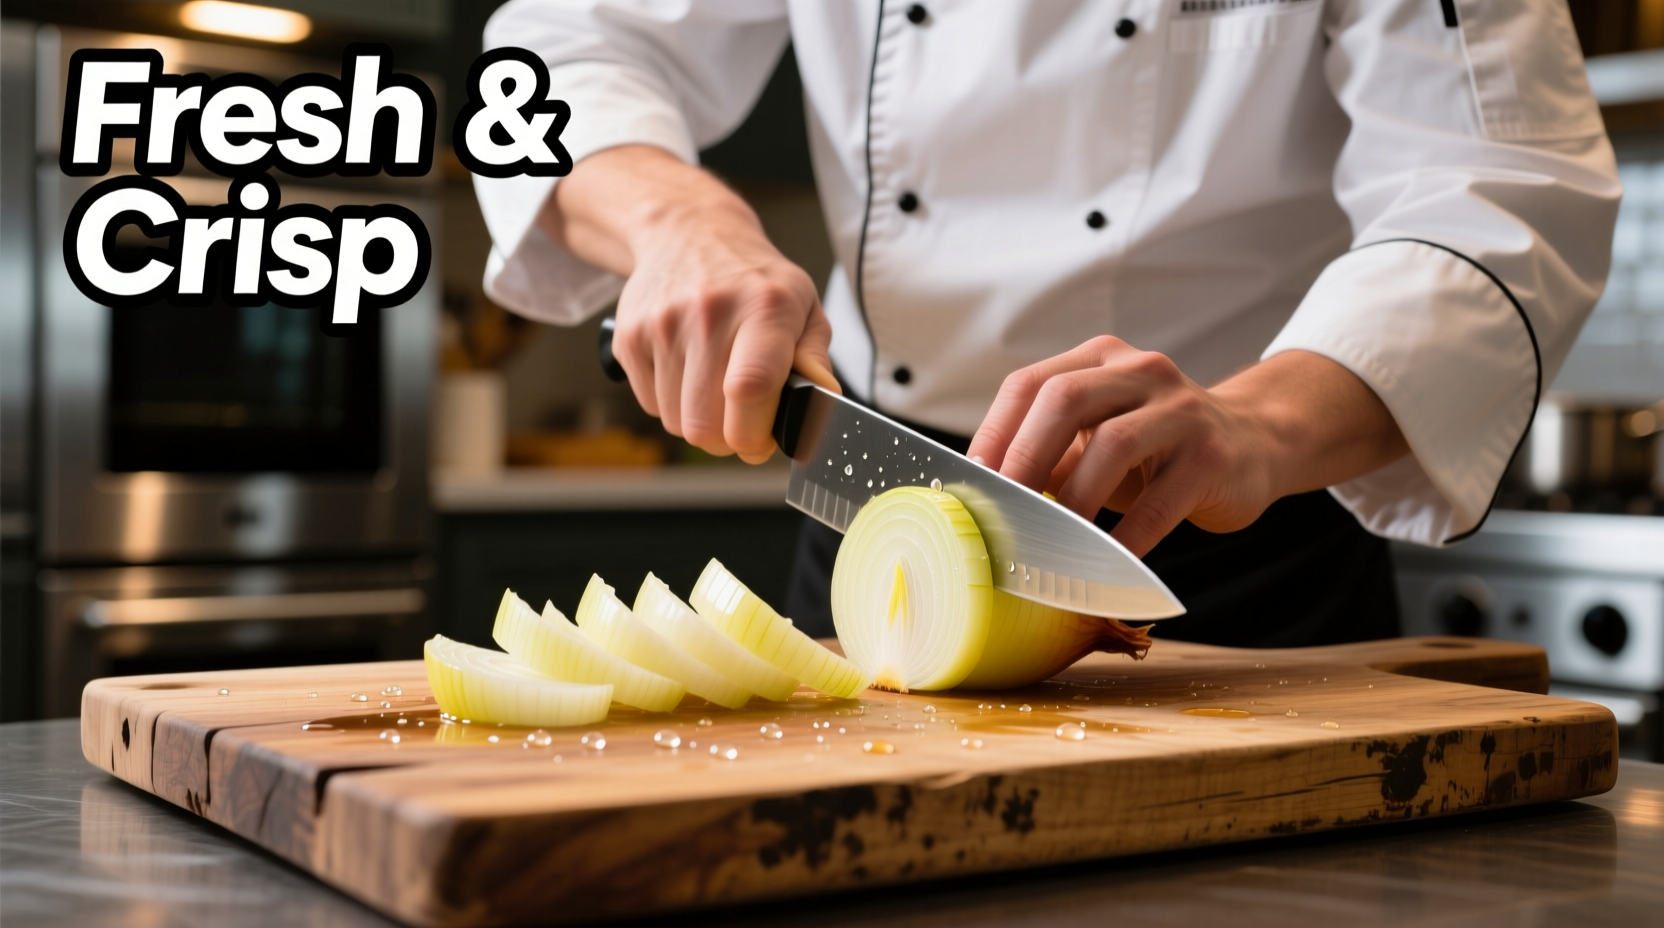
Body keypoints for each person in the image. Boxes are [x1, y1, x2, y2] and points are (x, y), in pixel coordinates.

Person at [471, 1, 1619, 647]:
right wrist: (676, 220)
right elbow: (565, 50)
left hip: (1229, 545)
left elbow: (1501, 186)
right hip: (880, 538)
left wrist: (1257, 425)